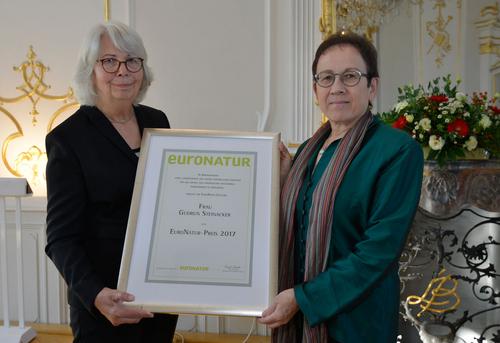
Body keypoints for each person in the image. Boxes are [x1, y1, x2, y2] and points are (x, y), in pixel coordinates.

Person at [259, 32, 424, 342]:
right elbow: (299, 226)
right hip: (297, 323)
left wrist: (303, 298)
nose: (336, 88)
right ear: (315, 89)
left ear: (372, 86)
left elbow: (378, 251)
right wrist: (284, 183)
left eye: (350, 76)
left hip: (356, 322)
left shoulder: (397, 150)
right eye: (326, 78)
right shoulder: (308, 149)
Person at [45, 21, 178, 342]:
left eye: (133, 60)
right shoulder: (68, 139)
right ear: (90, 71)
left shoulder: (157, 122)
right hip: (104, 305)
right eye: (109, 61)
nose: (123, 71)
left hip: (159, 293)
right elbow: (60, 238)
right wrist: (95, 295)